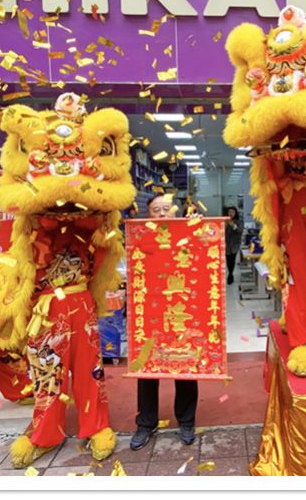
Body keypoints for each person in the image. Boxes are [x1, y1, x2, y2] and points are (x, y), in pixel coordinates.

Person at [131, 192, 199, 450]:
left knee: (184, 363)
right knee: (147, 367)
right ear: (148, 214)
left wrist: (200, 228)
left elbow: (207, 252)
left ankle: (187, 421)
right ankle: (146, 423)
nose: (161, 213)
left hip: (181, 310)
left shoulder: (190, 233)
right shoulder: (140, 238)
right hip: (151, 313)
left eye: (166, 208)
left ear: (177, 212)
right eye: (155, 209)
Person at [223, 204, 243, 285]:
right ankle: (230, 273)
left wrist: (233, 225)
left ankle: (230, 275)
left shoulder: (239, 221)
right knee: (228, 260)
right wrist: (225, 226)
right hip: (226, 244)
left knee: (233, 259)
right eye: (229, 212)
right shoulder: (224, 221)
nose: (231, 213)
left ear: (235, 213)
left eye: (232, 212)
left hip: (235, 244)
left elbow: (239, 230)